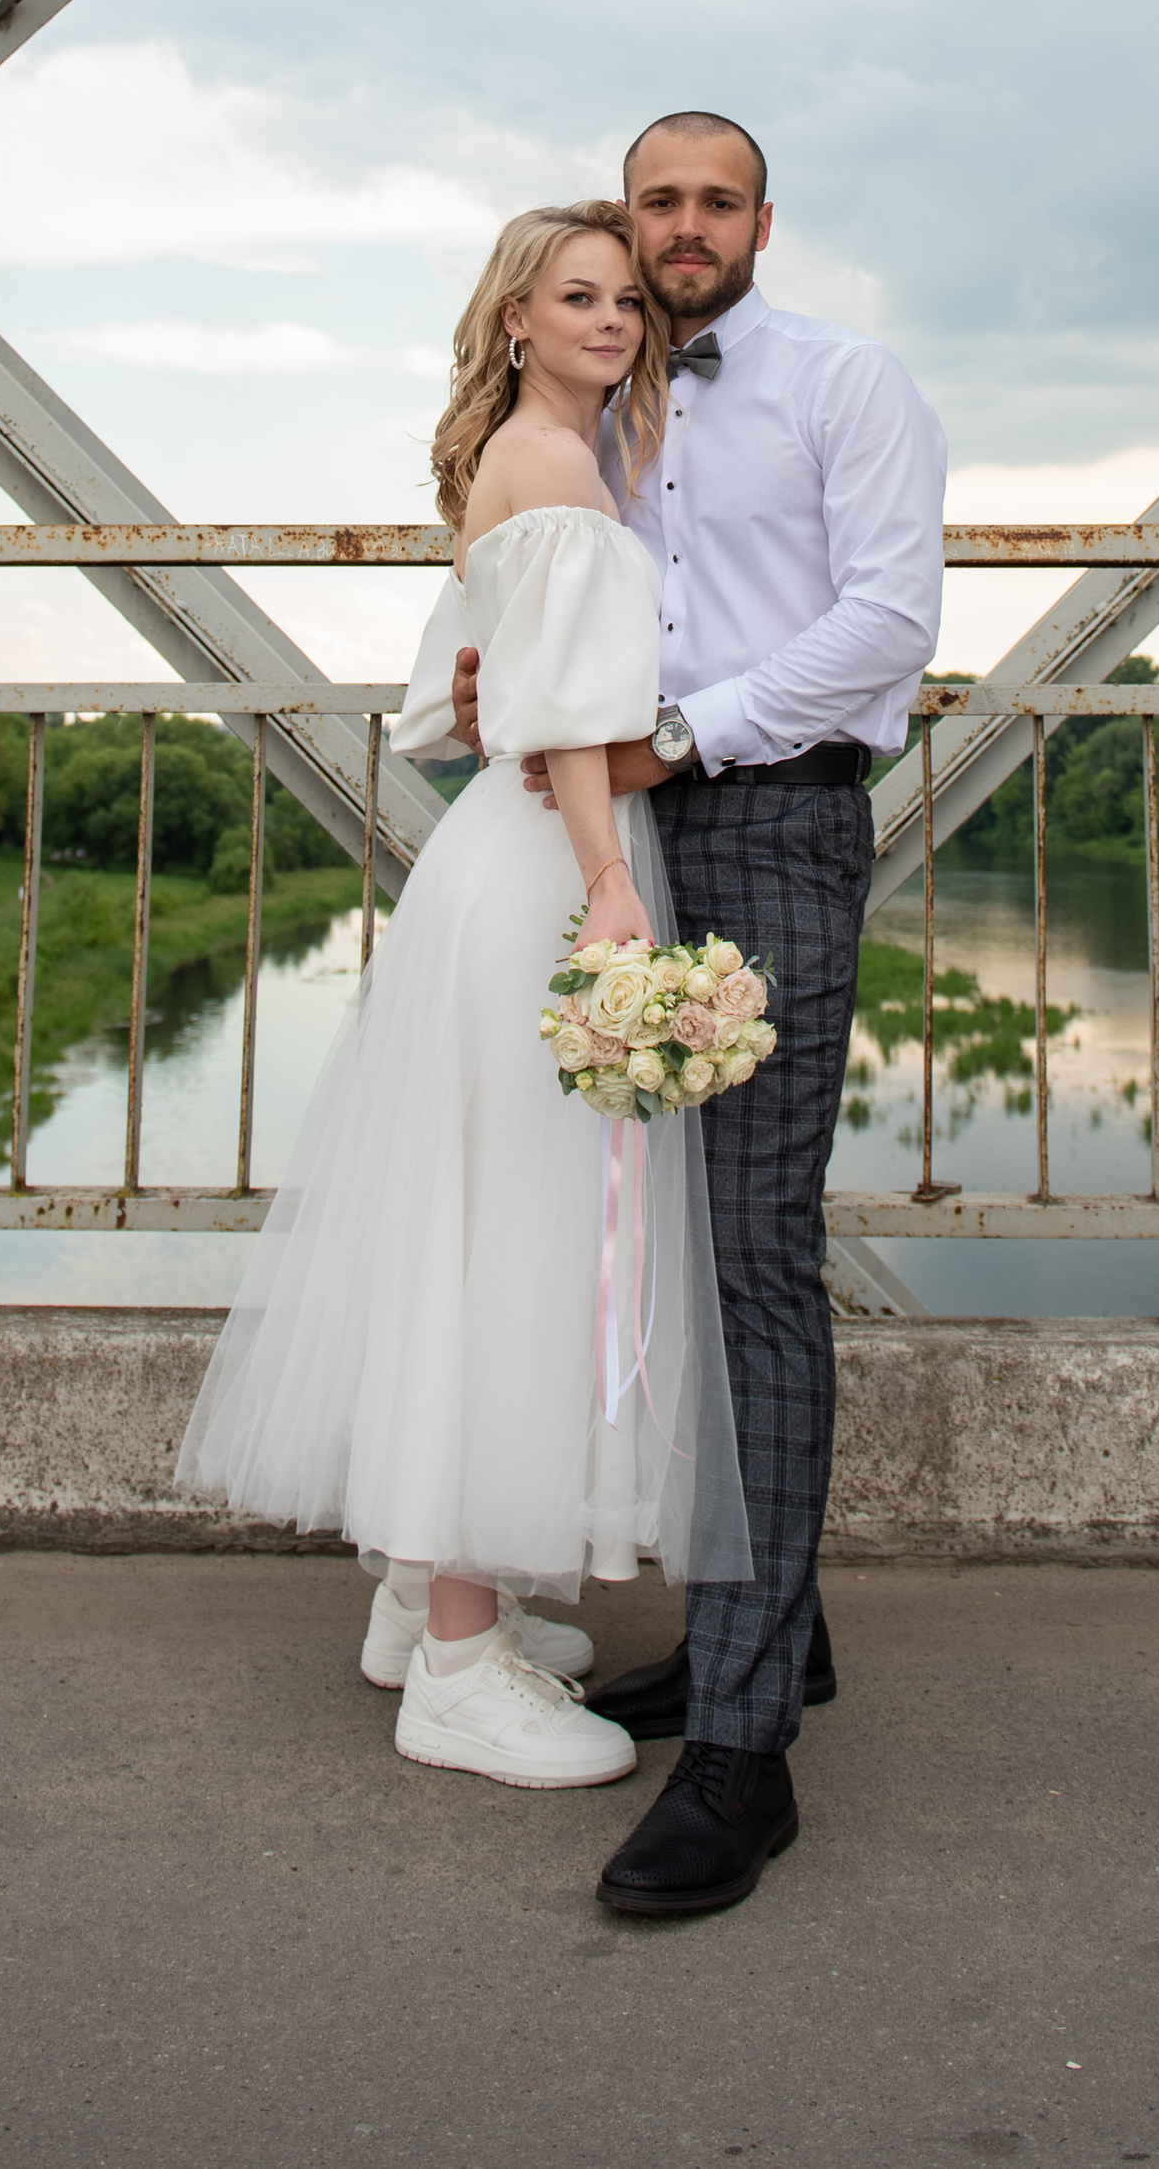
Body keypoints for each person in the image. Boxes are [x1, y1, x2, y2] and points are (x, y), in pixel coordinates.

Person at [176, 199, 750, 1790]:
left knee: (475, 1220)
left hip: (501, 857)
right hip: (554, 866)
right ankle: (454, 1660)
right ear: (515, 318)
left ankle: (419, 1596)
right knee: (516, 1239)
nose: (615, 319)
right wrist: (615, 879)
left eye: (628, 297)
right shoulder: (558, 468)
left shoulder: (520, 460)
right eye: (578, 296)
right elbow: (564, 714)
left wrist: (543, 746)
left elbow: (450, 698)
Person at [453, 110, 948, 1916]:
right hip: (630, 836)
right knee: (662, 1239)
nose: (681, 226)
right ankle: (775, 1637)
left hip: (777, 821)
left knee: (749, 1255)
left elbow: (893, 614)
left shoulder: (842, 380)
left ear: (760, 221)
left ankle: (744, 1756)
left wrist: (689, 731)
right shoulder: (606, 404)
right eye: (654, 199)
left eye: (713, 201)